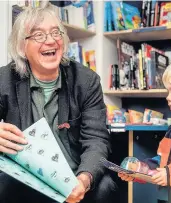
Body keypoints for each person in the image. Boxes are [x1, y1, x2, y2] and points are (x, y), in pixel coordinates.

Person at [0, 5, 116, 203]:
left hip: (73, 176)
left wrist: (84, 179)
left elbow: (97, 140)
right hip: (24, 176)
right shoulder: (4, 79)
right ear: (21, 46)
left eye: (56, 32)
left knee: (106, 186)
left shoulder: (86, 81)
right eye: (38, 35)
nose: (51, 40)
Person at [118, 59, 171, 203]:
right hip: (164, 197)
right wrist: (140, 169)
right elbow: (161, 160)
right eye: (167, 91)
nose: (168, 97)